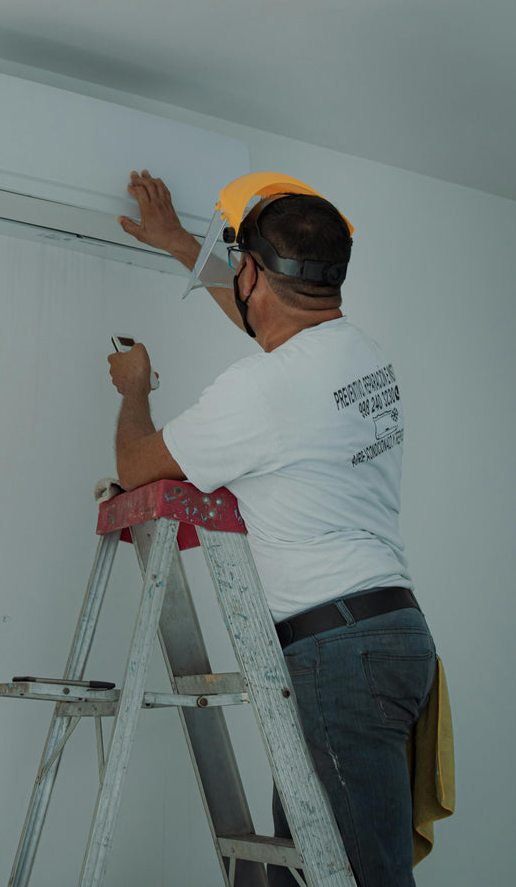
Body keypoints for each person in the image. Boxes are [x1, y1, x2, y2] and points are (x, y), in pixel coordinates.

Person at [107, 169, 437, 887]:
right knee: (307, 871)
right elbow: (275, 328)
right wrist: (180, 245)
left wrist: (134, 391)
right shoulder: (358, 351)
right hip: (386, 635)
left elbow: (137, 466)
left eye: (240, 268)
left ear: (252, 271)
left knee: (363, 878)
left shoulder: (261, 391)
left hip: (337, 656)